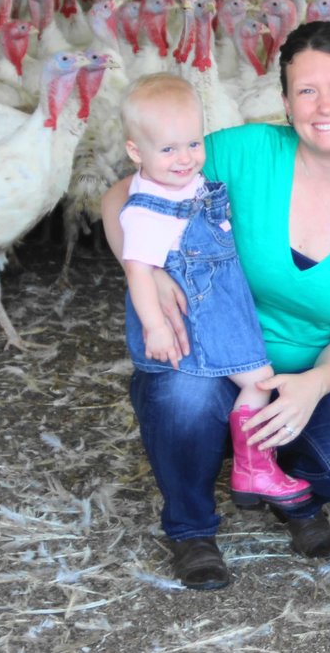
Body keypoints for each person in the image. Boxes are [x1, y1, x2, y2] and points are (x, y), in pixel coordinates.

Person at [102, 22, 330, 590]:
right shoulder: (244, 153)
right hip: (213, 356)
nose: (324, 105)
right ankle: (190, 526)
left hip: (305, 369)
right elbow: (121, 198)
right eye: (306, 91)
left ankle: (278, 481)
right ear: (285, 102)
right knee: (181, 393)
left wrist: (314, 386)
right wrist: (148, 276)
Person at [119, 75, 313, 512]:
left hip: (223, 306)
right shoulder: (151, 209)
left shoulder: (177, 182)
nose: (185, 159)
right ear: (136, 152)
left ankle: (251, 465)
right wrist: (155, 327)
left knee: (257, 381)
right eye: (168, 150)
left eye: (192, 144)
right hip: (202, 317)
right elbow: (137, 270)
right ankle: (253, 468)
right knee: (260, 383)